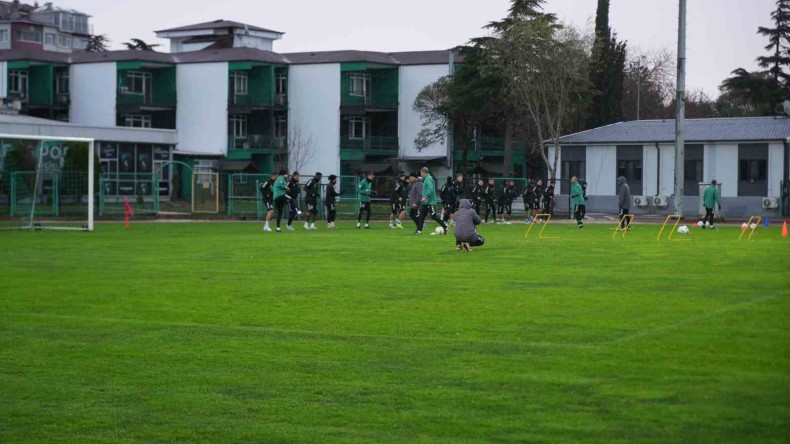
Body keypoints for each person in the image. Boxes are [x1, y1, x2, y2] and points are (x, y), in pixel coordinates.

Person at [417, 167, 448, 235]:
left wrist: (425, 196)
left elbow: (430, 189)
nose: (420, 174)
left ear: (423, 172)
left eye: (421, 172)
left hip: (430, 202)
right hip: (426, 202)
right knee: (421, 215)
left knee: (434, 216)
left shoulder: (428, 179)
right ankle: (419, 231)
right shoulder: (427, 179)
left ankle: (445, 227)